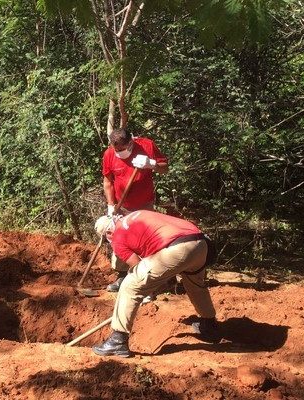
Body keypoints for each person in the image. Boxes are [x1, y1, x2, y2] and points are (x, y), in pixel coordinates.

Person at [92, 211, 220, 357]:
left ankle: (117, 341)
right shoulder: (135, 215)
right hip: (199, 243)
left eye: (106, 238)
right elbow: (157, 246)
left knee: (130, 285)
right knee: (195, 285)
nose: (109, 241)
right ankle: (210, 326)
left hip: (176, 249)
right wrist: (165, 280)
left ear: (108, 232)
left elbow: (137, 268)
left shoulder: (117, 237)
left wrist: (150, 289)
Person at [102, 127, 169, 292]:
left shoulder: (146, 146)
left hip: (144, 206)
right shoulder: (109, 154)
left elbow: (165, 168)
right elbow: (108, 181)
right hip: (121, 206)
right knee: (119, 238)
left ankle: (149, 281)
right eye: (116, 149)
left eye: (122, 149)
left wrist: (151, 164)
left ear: (131, 142)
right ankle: (123, 276)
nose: (119, 153)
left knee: (144, 241)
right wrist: (111, 206)